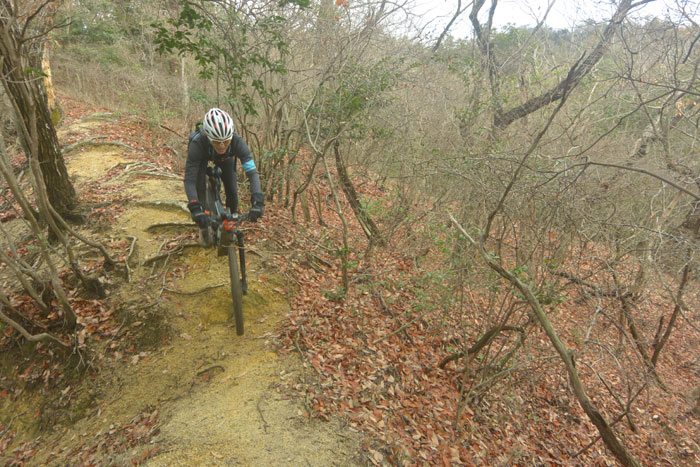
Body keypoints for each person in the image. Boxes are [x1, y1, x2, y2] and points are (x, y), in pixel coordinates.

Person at [184, 108, 264, 246]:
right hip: (203, 156)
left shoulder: (237, 142)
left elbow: (252, 173)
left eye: (226, 141)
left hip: (226, 158)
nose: (222, 146)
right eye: (217, 142)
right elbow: (189, 180)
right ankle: (204, 228)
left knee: (232, 191)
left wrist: (257, 200)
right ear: (208, 136)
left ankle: (229, 226)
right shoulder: (198, 143)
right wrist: (195, 207)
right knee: (199, 188)